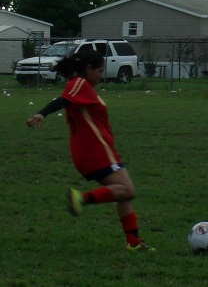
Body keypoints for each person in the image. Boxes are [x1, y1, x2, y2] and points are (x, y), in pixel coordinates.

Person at [25, 50, 154, 252]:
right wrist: (42, 114)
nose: (102, 75)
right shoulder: (79, 84)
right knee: (128, 190)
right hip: (96, 152)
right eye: (100, 70)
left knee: (124, 195)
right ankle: (82, 198)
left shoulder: (84, 87)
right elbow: (63, 100)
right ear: (89, 69)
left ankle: (133, 242)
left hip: (98, 151)